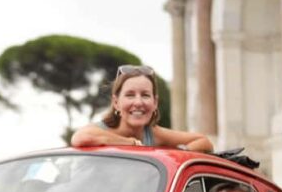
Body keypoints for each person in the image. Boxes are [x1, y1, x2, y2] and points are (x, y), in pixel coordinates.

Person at [71, 64, 213, 152]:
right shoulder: (100, 129)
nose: (138, 102)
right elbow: (79, 138)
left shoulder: (153, 134)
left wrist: (180, 153)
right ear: (116, 103)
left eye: (145, 95)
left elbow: (204, 142)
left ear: (155, 103)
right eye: (130, 95)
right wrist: (131, 143)